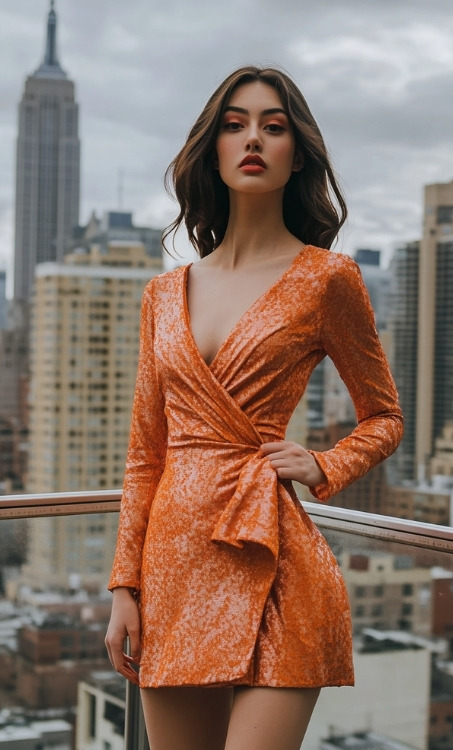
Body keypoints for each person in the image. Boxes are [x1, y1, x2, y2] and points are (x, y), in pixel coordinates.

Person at [105, 65, 403, 750]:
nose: (254, 139)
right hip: (173, 571)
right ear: (212, 146)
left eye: (274, 127)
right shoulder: (163, 292)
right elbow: (146, 453)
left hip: (278, 566)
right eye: (236, 124)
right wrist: (125, 588)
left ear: (297, 154)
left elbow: (384, 416)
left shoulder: (328, 279)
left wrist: (324, 464)